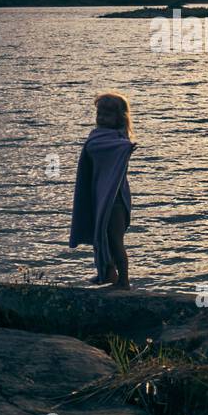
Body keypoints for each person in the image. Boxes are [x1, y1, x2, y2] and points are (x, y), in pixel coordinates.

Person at [68, 92, 136, 289]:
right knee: (102, 237)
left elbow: (121, 148)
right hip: (101, 196)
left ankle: (123, 280)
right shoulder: (97, 136)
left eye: (107, 114)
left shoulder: (118, 139)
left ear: (119, 117)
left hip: (116, 199)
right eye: (99, 113)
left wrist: (127, 148)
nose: (101, 118)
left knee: (115, 240)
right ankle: (107, 273)